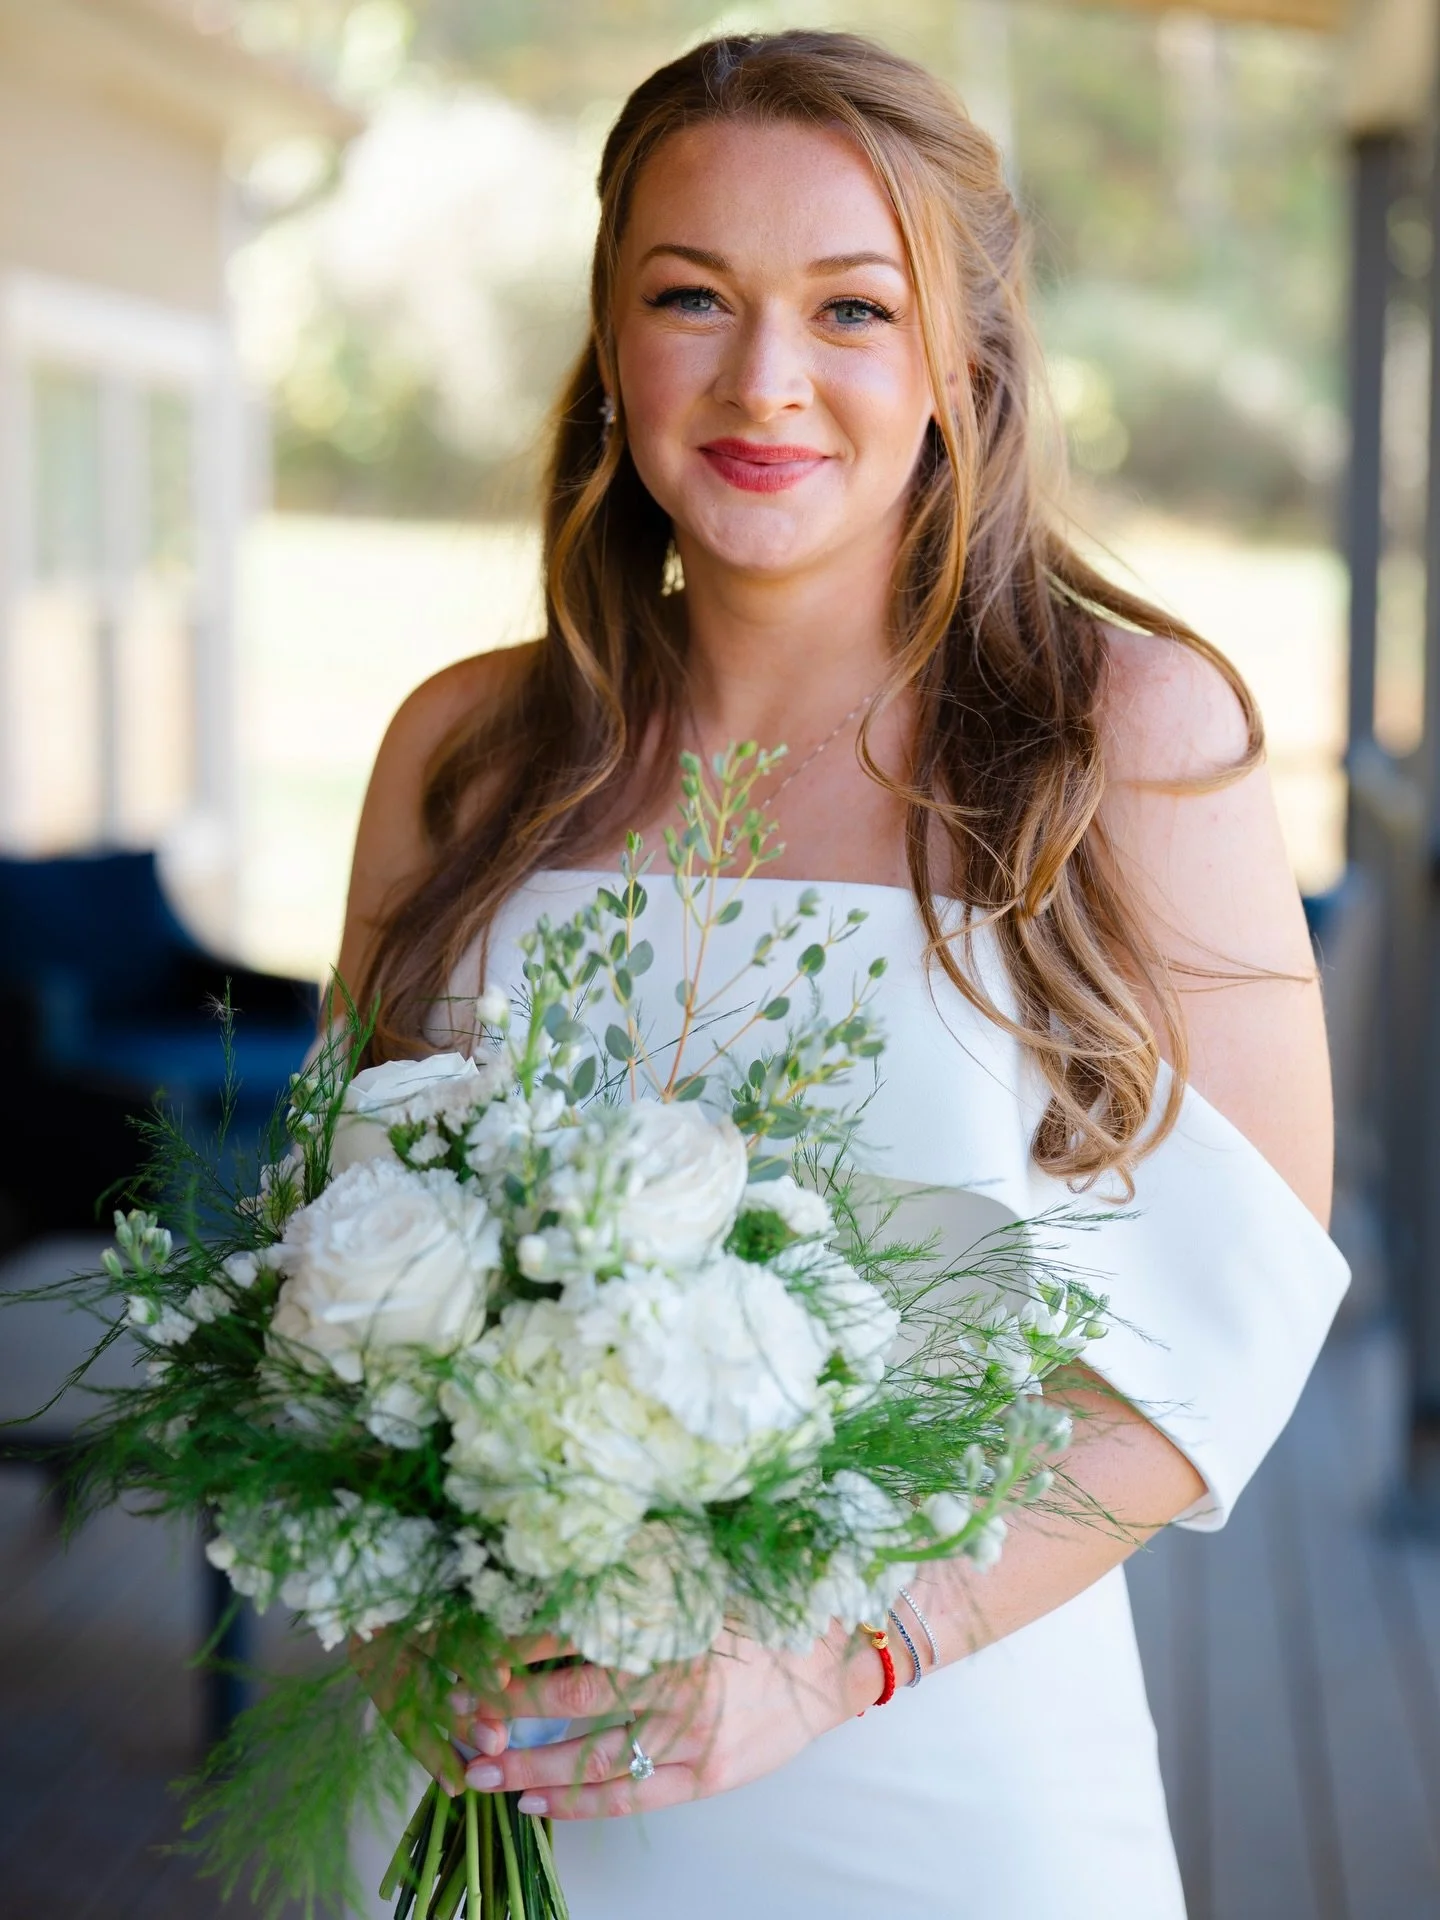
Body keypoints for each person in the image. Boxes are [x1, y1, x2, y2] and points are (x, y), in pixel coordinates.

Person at [339, 30, 1347, 1917]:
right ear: (611, 332)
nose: (763, 383)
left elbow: (1233, 1326)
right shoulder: (461, 757)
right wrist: (405, 1611)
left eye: (852, 308)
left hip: (941, 1782)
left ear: (964, 361)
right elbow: (354, 1277)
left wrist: (837, 1655)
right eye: (691, 297)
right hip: (506, 1784)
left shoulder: (1122, 734)